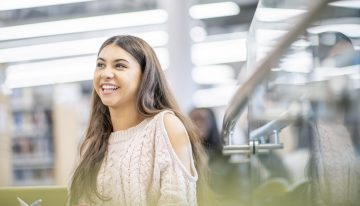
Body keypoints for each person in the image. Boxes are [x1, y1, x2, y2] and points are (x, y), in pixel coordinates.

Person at [69, 35, 207, 206]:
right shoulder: (91, 145)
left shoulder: (166, 127)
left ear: (144, 75)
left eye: (119, 65)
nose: (106, 73)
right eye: (100, 65)